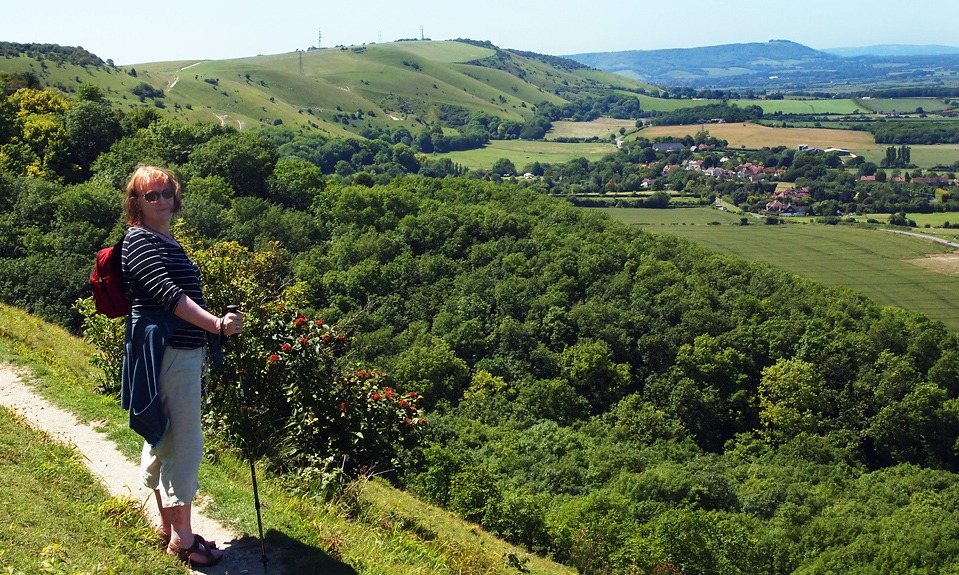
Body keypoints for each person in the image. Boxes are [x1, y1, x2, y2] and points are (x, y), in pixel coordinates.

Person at [119, 165, 242, 567]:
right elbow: (169, 296)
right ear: (136, 202)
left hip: (172, 351)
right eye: (150, 195)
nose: (161, 201)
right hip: (170, 352)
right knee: (185, 443)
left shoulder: (163, 239)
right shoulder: (139, 241)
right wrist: (217, 326)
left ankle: (169, 528)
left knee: (163, 435)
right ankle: (183, 541)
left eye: (165, 192)